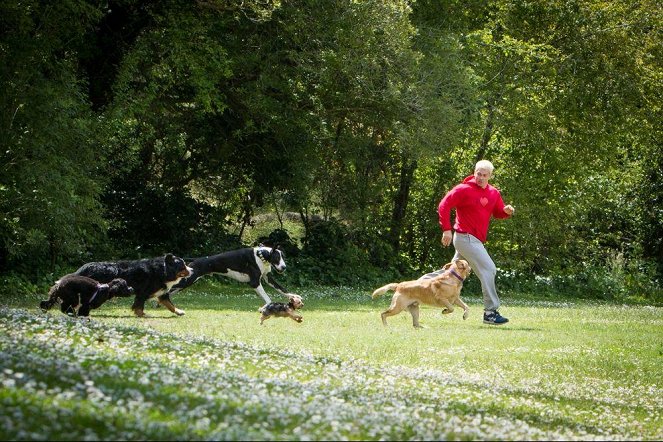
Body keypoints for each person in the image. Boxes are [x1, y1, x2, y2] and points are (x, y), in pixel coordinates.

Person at [438, 159, 515, 325]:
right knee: (489, 269)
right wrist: (446, 229)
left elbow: (498, 212)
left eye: (484, 175)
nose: (480, 177)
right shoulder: (463, 189)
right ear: (474, 172)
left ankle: (416, 290)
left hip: (475, 240)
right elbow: (444, 205)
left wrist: (506, 211)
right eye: (478, 174)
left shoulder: (494, 193)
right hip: (464, 237)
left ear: (490, 176)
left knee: (449, 273)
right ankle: (490, 312)